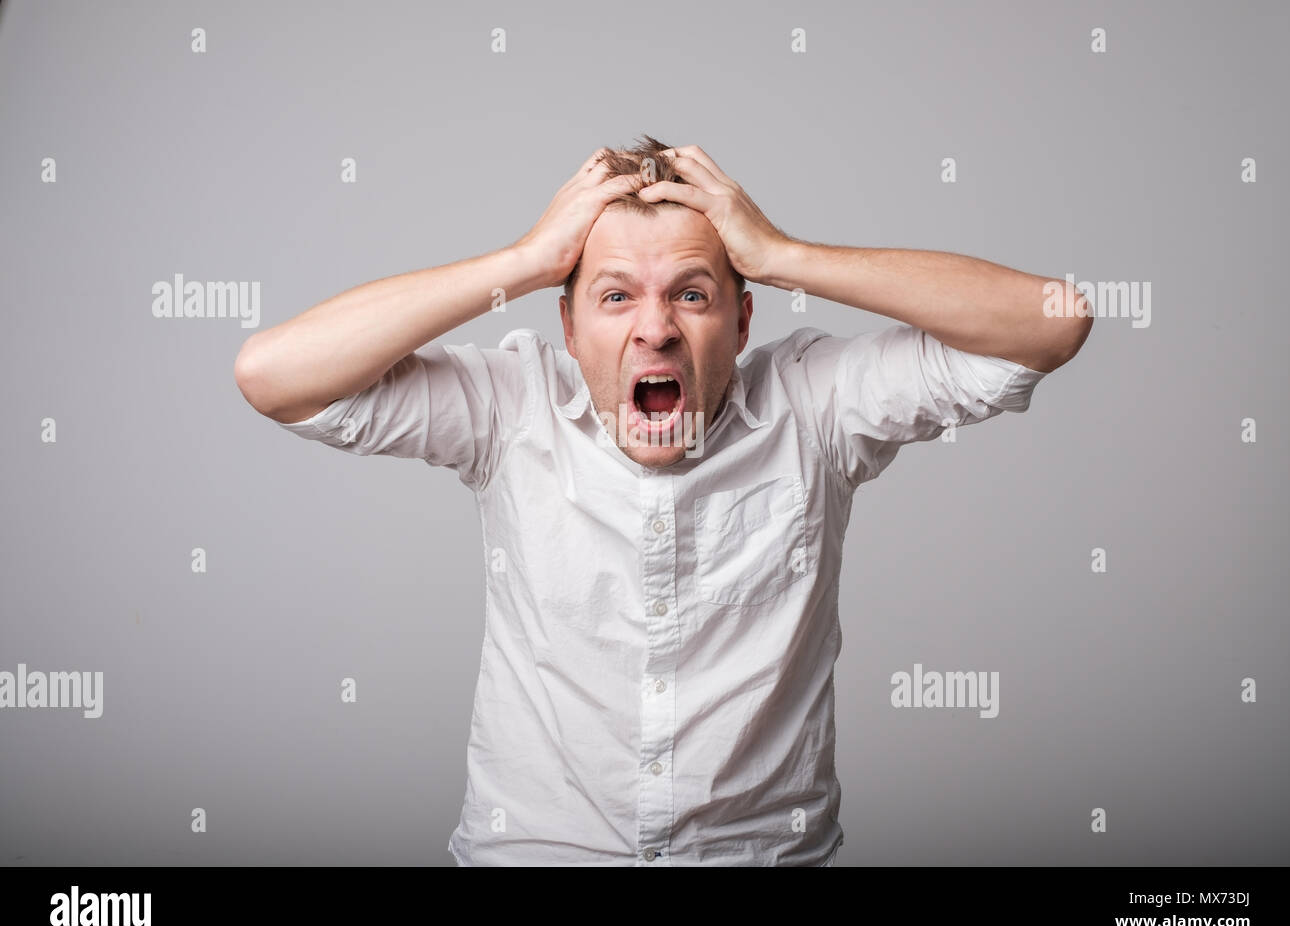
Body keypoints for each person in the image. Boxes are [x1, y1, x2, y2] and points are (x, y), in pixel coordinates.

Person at [233, 135, 1093, 866]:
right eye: (614, 297)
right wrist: (525, 262)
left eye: (692, 293)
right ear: (568, 330)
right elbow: (274, 377)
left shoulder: (816, 404)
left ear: (744, 321)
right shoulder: (510, 407)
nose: (655, 329)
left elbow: (1053, 320)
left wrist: (784, 253)